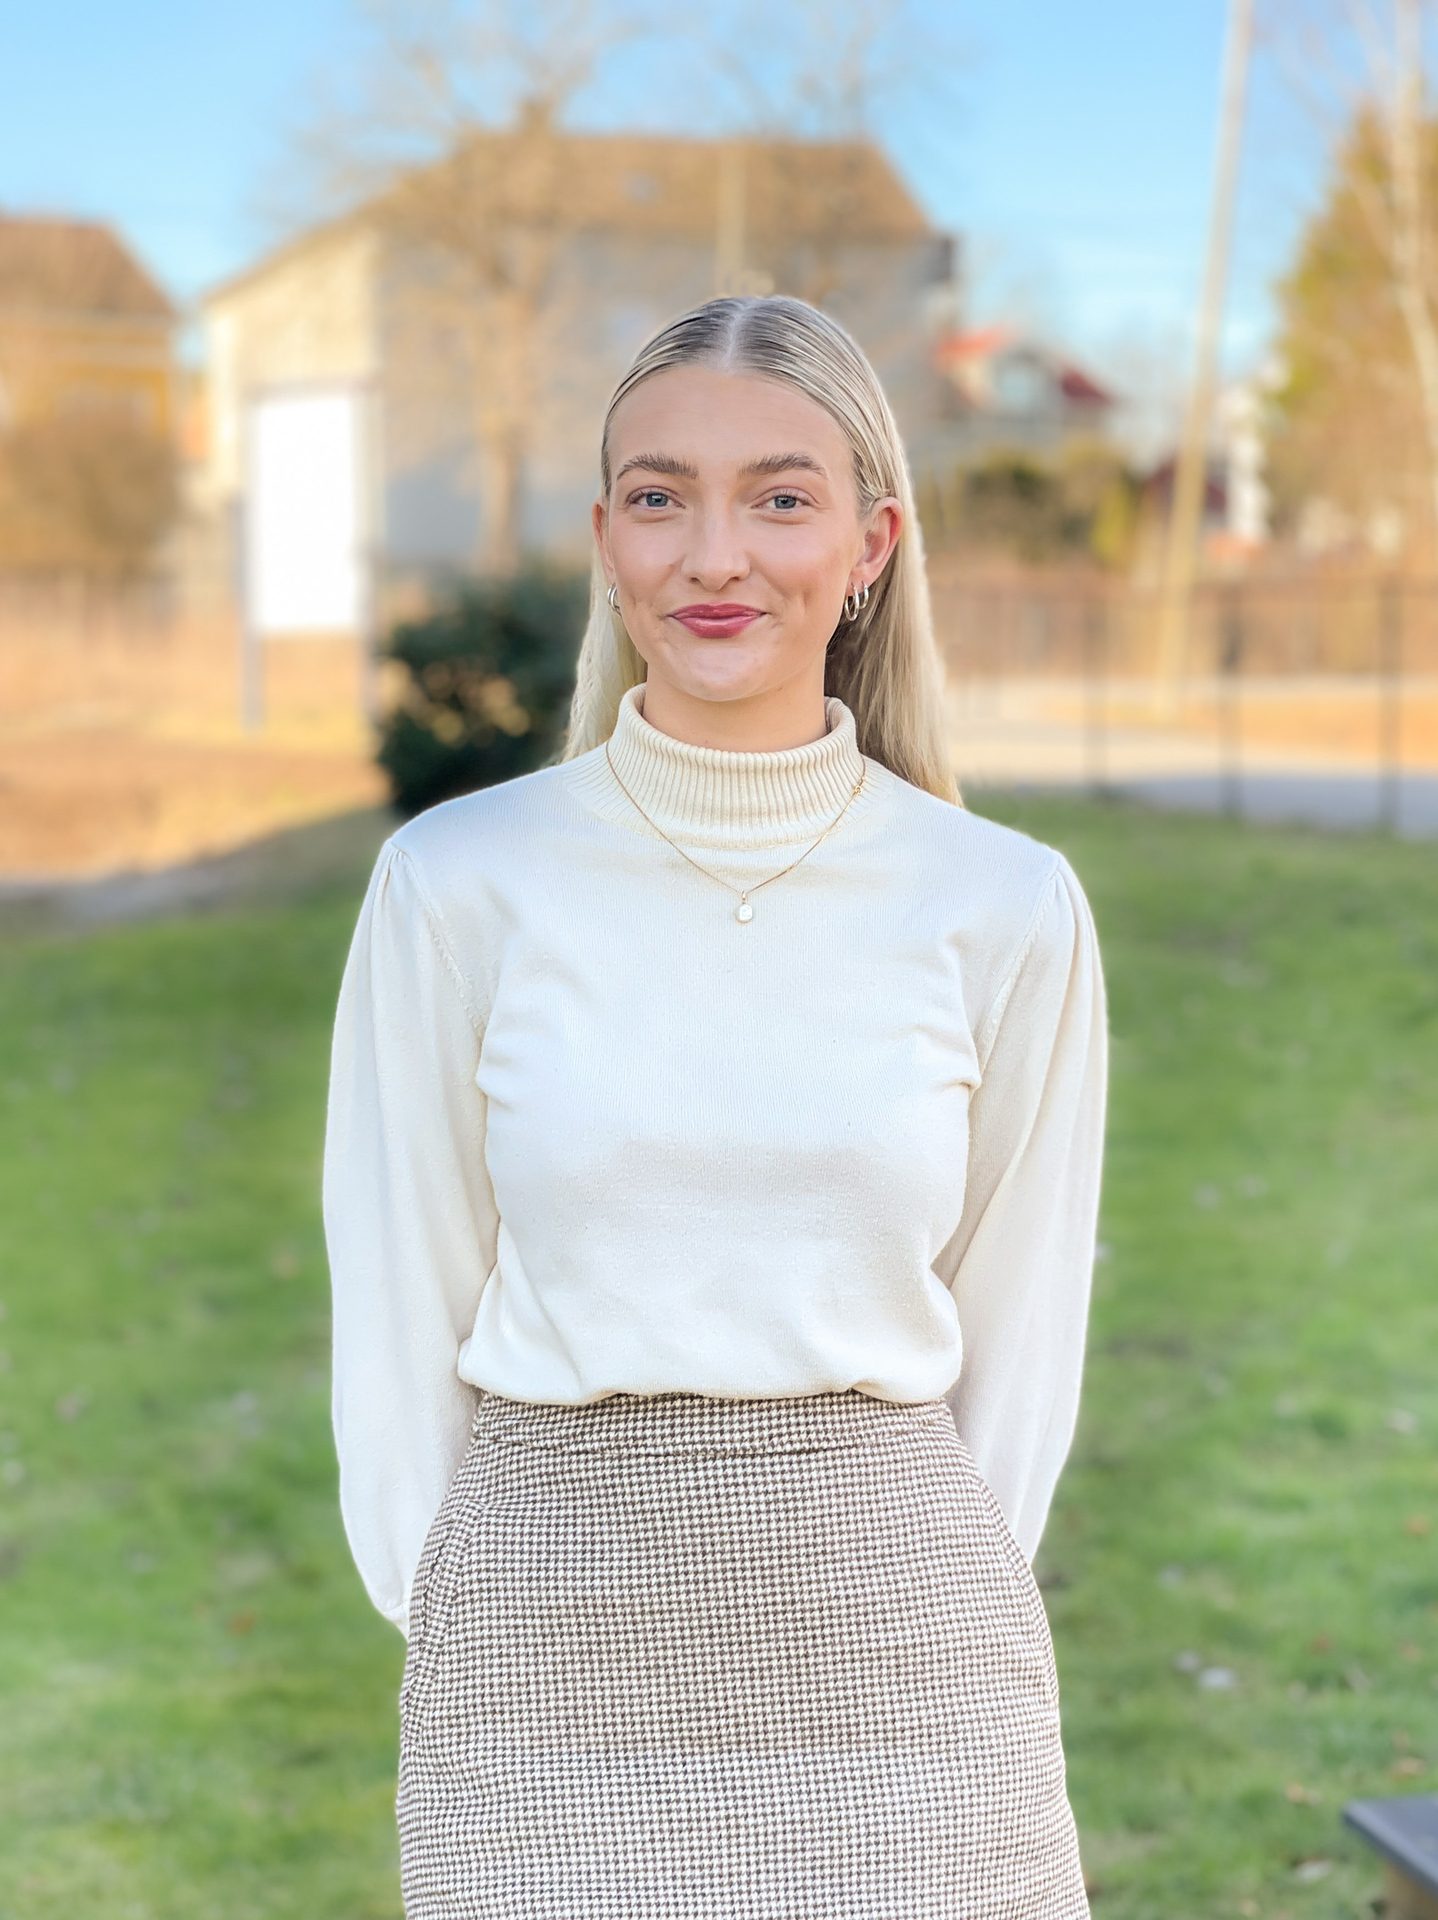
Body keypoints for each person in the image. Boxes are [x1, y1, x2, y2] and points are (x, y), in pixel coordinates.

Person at [322, 292, 1109, 1919]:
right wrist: (465, 1613)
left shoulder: (1004, 904)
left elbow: (1020, 1339)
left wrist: (932, 1593)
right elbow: (400, 1293)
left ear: (871, 540)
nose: (715, 554)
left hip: (911, 1690)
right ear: (607, 537)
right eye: (661, 496)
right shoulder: (456, 884)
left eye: (780, 495)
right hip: (540, 1670)